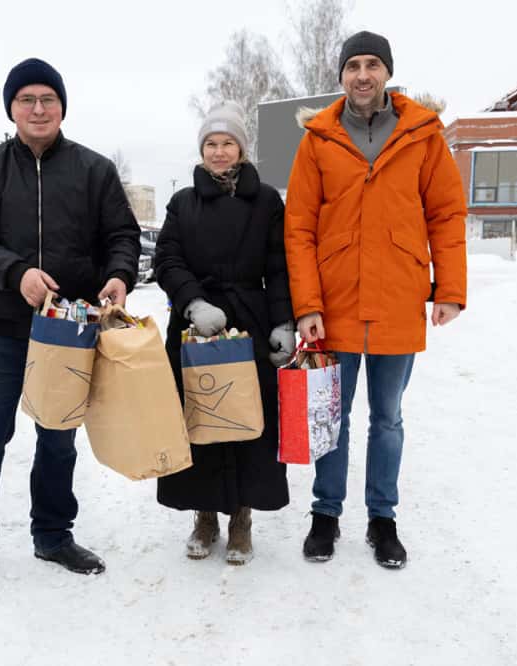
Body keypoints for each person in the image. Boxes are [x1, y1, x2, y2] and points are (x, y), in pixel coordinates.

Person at [0, 58, 141, 598]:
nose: (38, 109)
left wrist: (118, 275)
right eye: (27, 99)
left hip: (68, 330)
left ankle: (54, 535)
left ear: (62, 107)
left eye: (48, 99)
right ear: (11, 109)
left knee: (58, 438)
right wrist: (16, 273)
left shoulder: (93, 170)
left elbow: (122, 235)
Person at [284, 31, 467, 568]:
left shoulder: (423, 135)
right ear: (341, 75)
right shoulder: (318, 140)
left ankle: (382, 518)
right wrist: (307, 304)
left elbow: (446, 214)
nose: (362, 75)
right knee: (332, 417)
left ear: (387, 72)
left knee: (387, 418)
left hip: (397, 299)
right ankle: (325, 513)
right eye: (353, 66)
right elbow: (299, 227)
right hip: (335, 305)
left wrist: (449, 290)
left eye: (372, 65)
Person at [154, 102, 295, 565]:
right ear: (201, 150)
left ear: (241, 148)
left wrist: (283, 322)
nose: (219, 151)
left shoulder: (267, 201)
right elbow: (167, 260)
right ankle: (204, 517)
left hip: (249, 322)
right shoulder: (183, 202)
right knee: (201, 421)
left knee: (245, 423)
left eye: (228, 143)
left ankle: (241, 519)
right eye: (211, 144)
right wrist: (193, 302)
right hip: (197, 328)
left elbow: (279, 266)